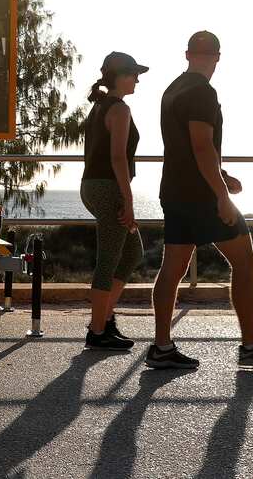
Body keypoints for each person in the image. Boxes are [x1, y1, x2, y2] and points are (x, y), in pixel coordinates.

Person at [146, 30, 253, 369]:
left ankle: (161, 347)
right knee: (245, 261)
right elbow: (201, 146)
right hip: (201, 194)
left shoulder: (173, 89)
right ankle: (250, 345)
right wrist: (221, 195)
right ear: (217, 57)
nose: (205, 59)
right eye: (207, 55)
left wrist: (223, 175)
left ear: (187, 54)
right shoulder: (202, 92)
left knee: (172, 269)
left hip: (174, 189)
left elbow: (192, 147)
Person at [81, 51, 148, 350]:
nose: (137, 80)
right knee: (109, 258)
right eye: (134, 74)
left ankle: (105, 319)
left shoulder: (100, 106)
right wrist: (128, 199)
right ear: (121, 76)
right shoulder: (119, 110)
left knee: (132, 251)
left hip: (93, 186)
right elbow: (118, 158)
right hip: (108, 188)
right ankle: (97, 331)